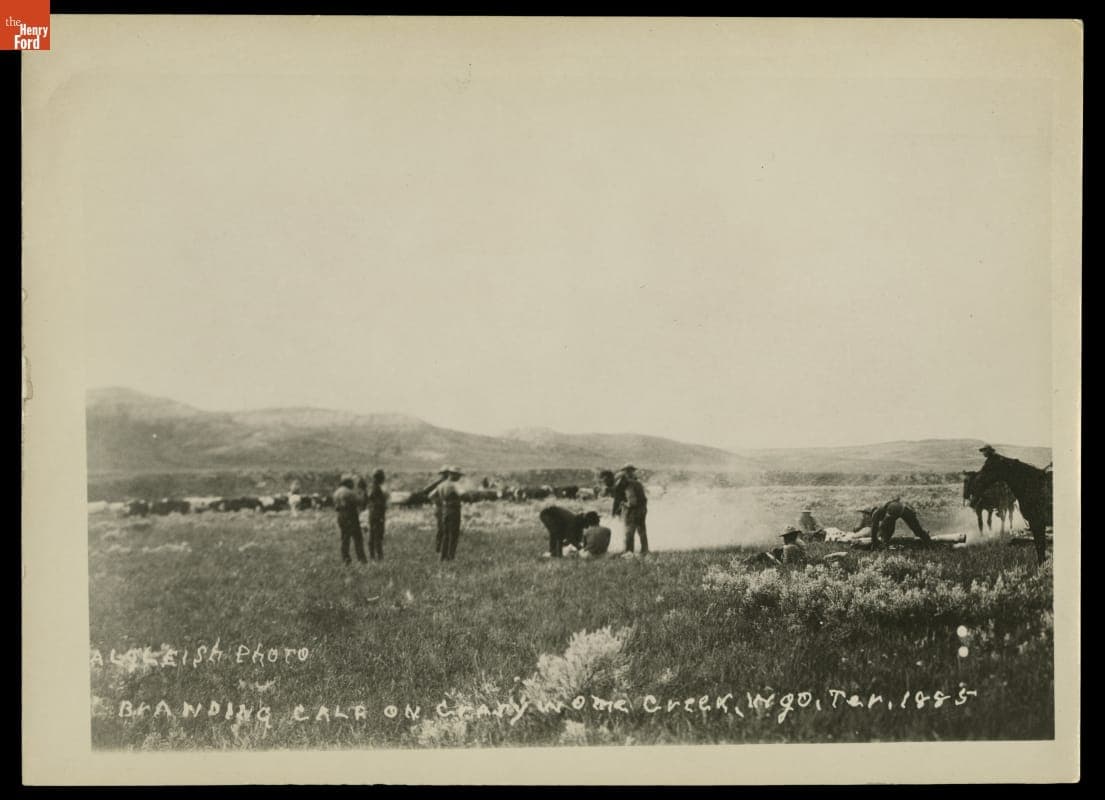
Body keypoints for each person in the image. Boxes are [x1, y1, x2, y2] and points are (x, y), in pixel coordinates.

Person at [430, 467, 464, 561]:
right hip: (454, 510)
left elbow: (431, 495)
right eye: (458, 475)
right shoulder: (454, 485)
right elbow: (462, 493)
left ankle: (442, 557)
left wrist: (441, 502)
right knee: (454, 534)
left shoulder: (441, 485)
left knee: (445, 534)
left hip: (444, 510)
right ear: (453, 474)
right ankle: (451, 557)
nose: (459, 478)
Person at [333, 473, 367, 565]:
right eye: (352, 482)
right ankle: (362, 560)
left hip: (340, 515)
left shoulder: (336, 492)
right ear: (348, 483)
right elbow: (360, 501)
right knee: (358, 538)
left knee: (344, 539)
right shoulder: (349, 492)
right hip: (351, 516)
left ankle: (346, 560)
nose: (353, 484)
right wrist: (362, 491)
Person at [619, 465, 649, 556]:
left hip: (633, 512)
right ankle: (645, 551)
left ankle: (629, 552)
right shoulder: (638, 483)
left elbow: (632, 502)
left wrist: (623, 504)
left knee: (629, 532)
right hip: (642, 510)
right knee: (642, 531)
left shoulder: (629, 485)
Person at [367, 469, 389, 561]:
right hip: (378, 514)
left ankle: (373, 556)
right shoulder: (377, 488)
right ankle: (379, 557)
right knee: (377, 536)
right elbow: (379, 503)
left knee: (373, 535)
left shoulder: (373, 487)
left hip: (373, 514)